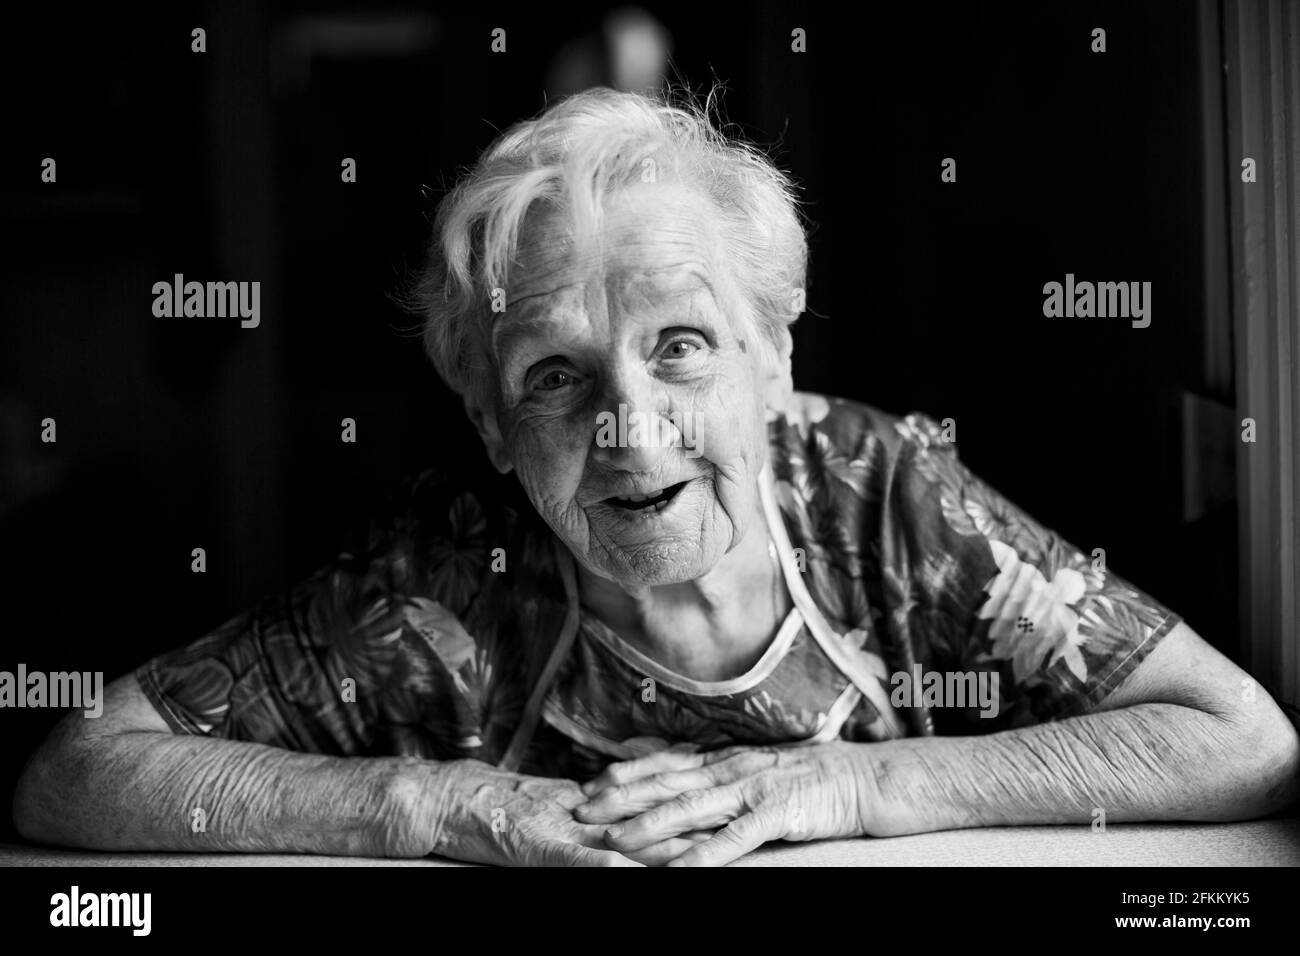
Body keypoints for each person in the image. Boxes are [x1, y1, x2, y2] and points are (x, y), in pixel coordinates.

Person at [14, 87, 1299, 867]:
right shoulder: (446, 569)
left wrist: (850, 783)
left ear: (770, 352)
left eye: (680, 347)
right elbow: (77, 768)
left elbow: (1238, 739)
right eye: (555, 376)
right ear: (489, 417)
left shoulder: (879, 490)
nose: (631, 431)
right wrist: (431, 802)